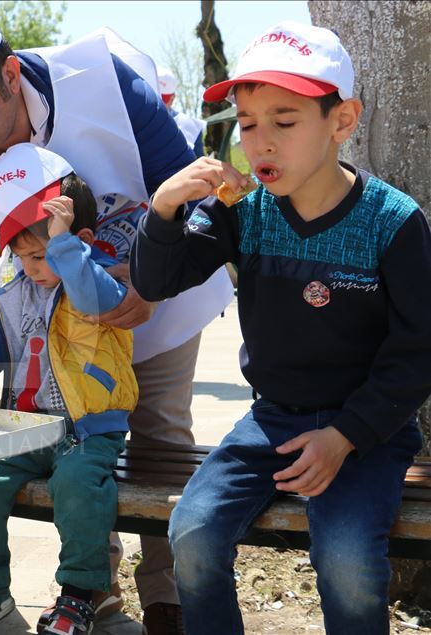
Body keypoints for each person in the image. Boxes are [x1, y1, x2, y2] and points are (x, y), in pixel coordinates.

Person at [0, 4, 236, 632]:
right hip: (42, 318)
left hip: (152, 286)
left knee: (159, 441)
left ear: (10, 73)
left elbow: (197, 197)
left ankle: (169, 600)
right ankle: (95, 598)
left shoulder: (103, 84)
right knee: (82, 455)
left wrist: (155, 278)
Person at [130, 22, 431, 635]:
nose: (259, 142)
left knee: (346, 559)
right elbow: (158, 281)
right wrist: (164, 210)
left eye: (284, 121)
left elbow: (419, 350)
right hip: (273, 420)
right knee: (192, 532)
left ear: (342, 121)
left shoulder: (394, 222)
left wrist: (345, 435)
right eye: (246, 123)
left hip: (370, 432)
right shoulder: (241, 210)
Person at [0, 144, 137, 635]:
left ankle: (81, 594)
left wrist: (66, 249)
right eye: (21, 257)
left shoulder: (98, 284)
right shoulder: (18, 291)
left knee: (78, 485)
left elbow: (88, 295)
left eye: (41, 255)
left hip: (86, 432)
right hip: (27, 428)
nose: (33, 268)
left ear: (78, 241)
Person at [156, 67, 207, 157]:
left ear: (172, 98)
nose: (158, 104)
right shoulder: (134, 120)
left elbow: (199, 163)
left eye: (162, 99)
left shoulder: (190, 127)